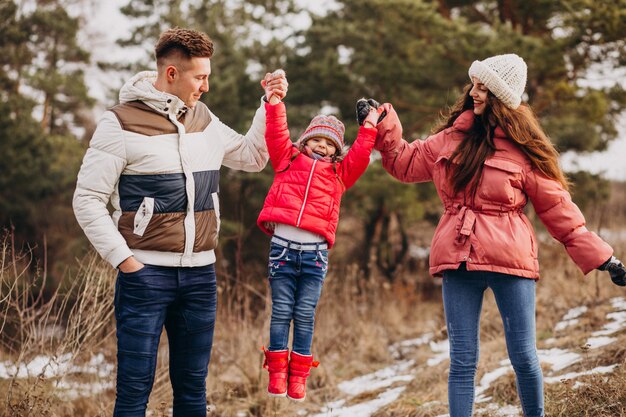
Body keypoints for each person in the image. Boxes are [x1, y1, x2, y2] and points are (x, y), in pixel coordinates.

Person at [371, 53, 626, 417]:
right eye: (474, 84)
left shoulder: (523, 151)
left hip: (511, 261)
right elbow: (405, 162)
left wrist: (604, 258)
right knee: (461, 360)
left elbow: (559, 210)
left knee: (523, 356)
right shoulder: (449, 139)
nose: (474, 92)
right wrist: (385, 125)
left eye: (483, 88)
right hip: (458, 258)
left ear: (501, 97)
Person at [72, 28, 287, 417]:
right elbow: (87, 199)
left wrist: (268, 105)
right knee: (134, 392)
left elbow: (254, 157)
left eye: (207, 75)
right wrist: (126, 261)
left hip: (200, 277)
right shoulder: (119, 123)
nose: (206, 86)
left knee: (192, 390)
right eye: (199, 77)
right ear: (171, 74)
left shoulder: (203, 119)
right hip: (144, 276)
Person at [256, 75, 383, 401]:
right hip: (283, 250)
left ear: (335, 150)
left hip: (313, 255)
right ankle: (276, 371)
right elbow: (276, 132)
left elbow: (360, 154)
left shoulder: (339, 175)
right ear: (306, 140)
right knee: (282, 310)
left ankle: (298, 377)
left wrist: (369, 125)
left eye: (330, 144)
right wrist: (274, 102)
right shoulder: (287, 160)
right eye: (318, 141)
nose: (323, 147)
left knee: (306, 313)